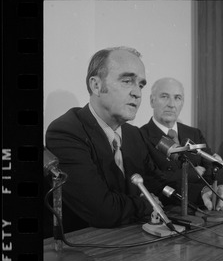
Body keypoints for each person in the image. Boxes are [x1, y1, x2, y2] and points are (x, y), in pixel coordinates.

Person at [45, 47, 177, 235]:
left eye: (140, 84)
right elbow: (102, 210)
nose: (138, 93)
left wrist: (201, 193)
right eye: (127, 81)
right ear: (96, 86)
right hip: (89, 246)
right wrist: (145, 204)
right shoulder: (65, 131)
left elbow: (155, 182)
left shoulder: (133, 134)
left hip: (132, 240)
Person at [140, 77, 223, 211]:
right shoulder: (140, 136)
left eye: (177, 98)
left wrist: (215, 187)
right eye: (164, 96)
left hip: (207, 207)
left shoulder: (194, 133)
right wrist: (194, 173)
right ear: (152, 101)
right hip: (170, 211)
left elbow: (212, 169)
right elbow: (155, 182)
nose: (171, 104)